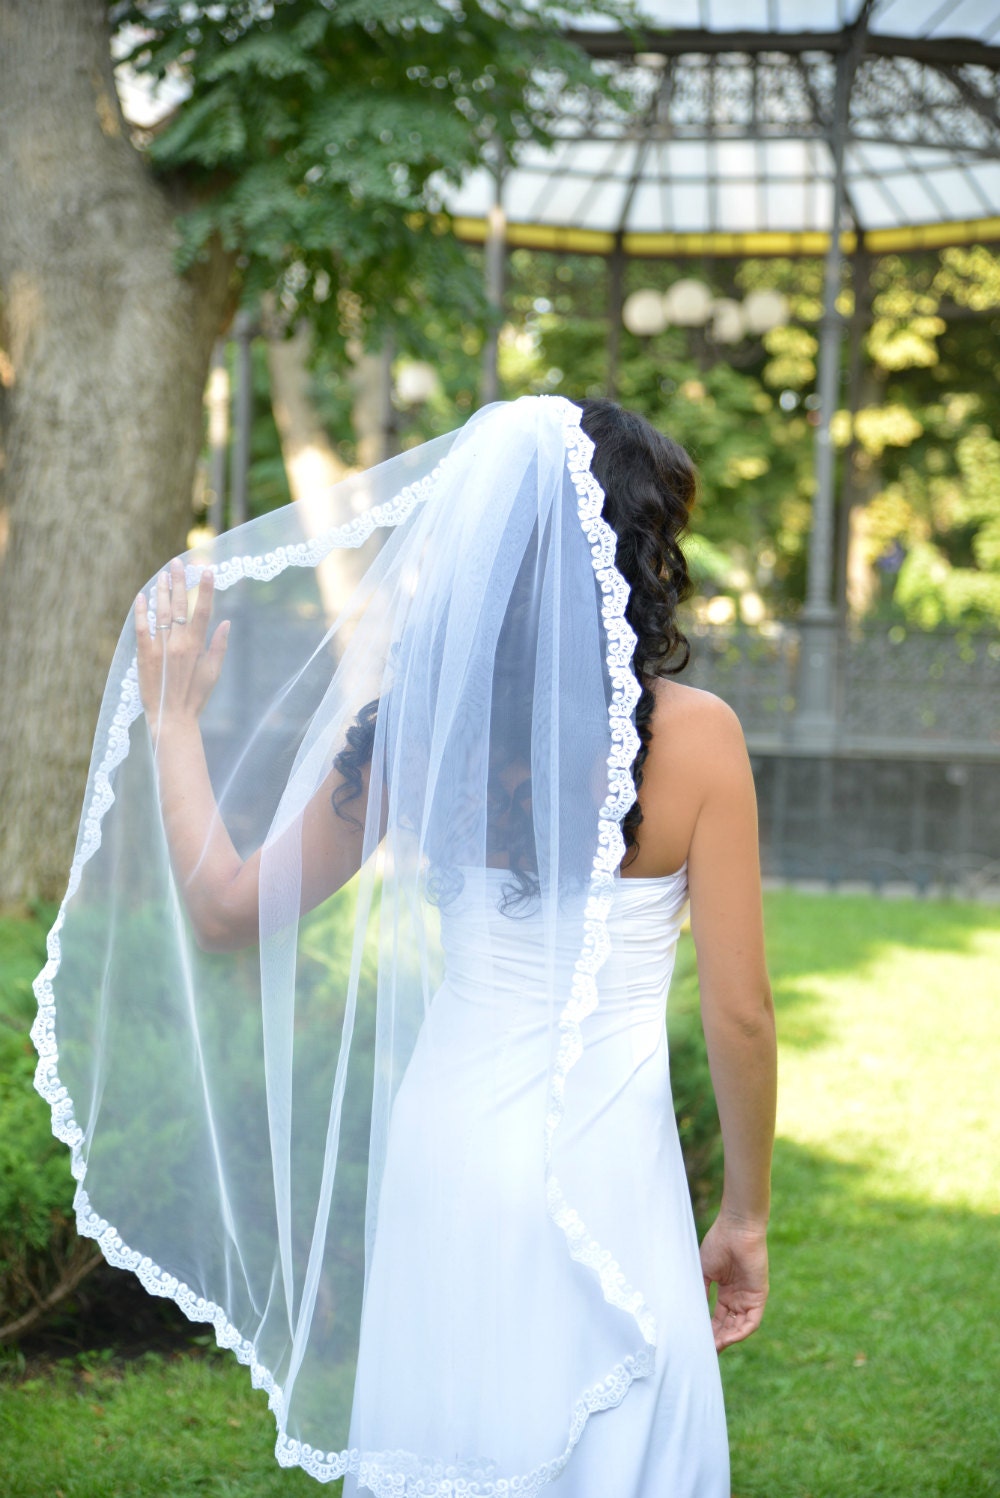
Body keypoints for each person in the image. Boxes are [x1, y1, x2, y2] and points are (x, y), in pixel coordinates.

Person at [33, 394, 775, 1497]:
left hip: (446, 1146)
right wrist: (745, 1211)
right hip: (603, 1161)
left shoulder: (418, 726)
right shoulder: (700, 738)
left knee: (455, 1430)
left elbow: (229, 910)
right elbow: (741, 1012)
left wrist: (175, 724)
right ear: (633, 552)